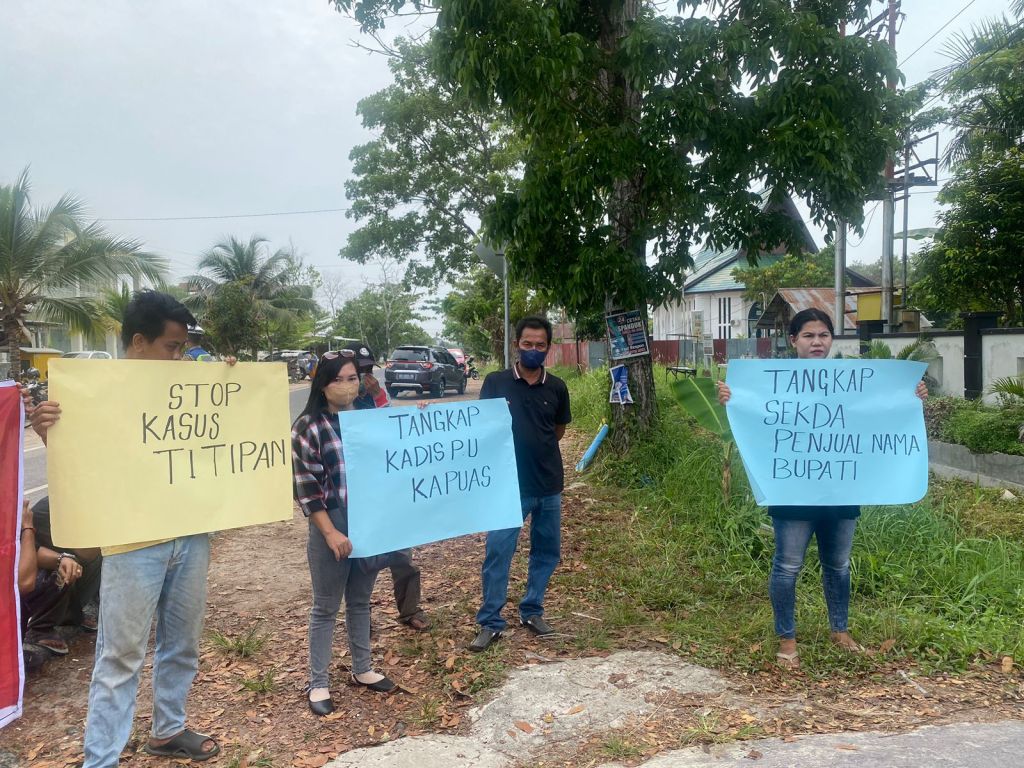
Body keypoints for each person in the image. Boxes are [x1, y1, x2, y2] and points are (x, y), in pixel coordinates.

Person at [31, 291, 224, 765]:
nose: (179, 357)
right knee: (120, 656)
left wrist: (232, 385)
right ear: (139, 341)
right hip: (132, 543)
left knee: (182, 644)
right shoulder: (88, 395)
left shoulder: (189, 387)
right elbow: (79, 463)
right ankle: (101, 759)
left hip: (190, 533)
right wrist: (49, 432)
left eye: (182, 348)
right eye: (171, 346)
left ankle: (168, 729)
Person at [716, 308, 927, 669]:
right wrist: (731, 398)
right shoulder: (771, 382)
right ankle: (787, 640)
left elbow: (880, 412)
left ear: (832, 339)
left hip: (841, 490)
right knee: (787, 566)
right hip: (792, 492)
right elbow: (755, 419)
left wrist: (911, 395)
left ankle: (840, 633)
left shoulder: (854, 381)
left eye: (824, 335)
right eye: (809, 335)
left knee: (839, 565)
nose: (817, 342)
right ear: (793, 340)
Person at [292, 349, 396, 717]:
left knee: (360, 600)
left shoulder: (366, 419)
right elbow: (306, 488)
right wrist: (330, 532)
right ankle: (318, 681)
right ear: (322, 384)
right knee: (325, 606)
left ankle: (362, 668)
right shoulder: (308, 427)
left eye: (353, 378)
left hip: (368, 520)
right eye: (338, 379)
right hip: (331, 521)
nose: (347, 386)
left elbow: (398, 444)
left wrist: (419, 415)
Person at [470, 316, 571, 652]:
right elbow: (478, 426)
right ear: (517, 344)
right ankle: (490, 622)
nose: (533, 350)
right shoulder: (496, 382)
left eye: (540, 345)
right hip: (507, 488)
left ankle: (532, 610)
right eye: (527, 343)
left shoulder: (557, 387)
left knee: (546, 552)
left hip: (549, 485)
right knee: (498, 552)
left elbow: (557, 431)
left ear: (548, 348)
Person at [345, 342, 430, 631]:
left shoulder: (376, 397)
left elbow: (396, 429)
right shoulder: (336, 402)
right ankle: (360, 618)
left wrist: (380, 396)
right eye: (358, 372)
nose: (364, 377)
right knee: (360, 559)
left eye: (367, 371)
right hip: (357, 492)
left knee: (402, 555)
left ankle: (410, 609)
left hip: (388, 487)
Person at [20, 497, 102, 656]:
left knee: (92, 558)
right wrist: (28, 527)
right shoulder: (57, 508)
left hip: (39, 560)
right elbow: (24, 577)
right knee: (63, 571)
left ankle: (72, 615)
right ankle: (39, 630)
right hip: (26, 579)